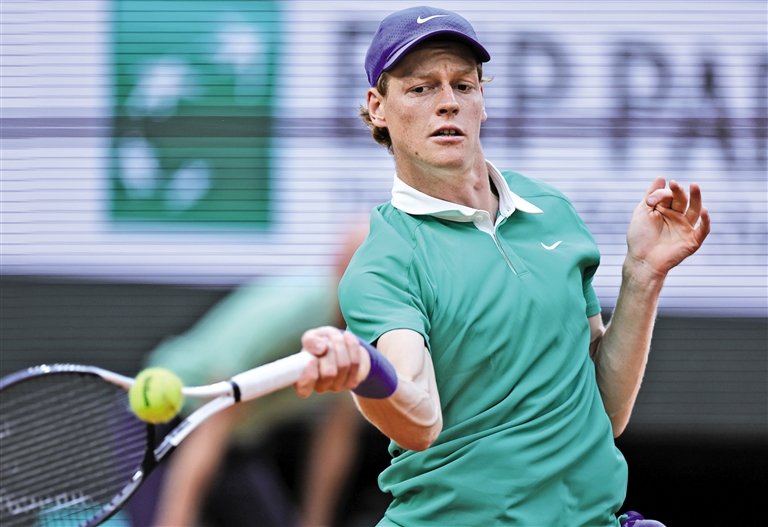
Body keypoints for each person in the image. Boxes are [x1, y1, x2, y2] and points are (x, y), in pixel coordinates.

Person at [292, 6, 709, 527]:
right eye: (421, 88)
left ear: (481, 101)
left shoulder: (550, 209)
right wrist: (367, 374)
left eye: (463, 85)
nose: (448, 102)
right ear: (378, 108)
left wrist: (643, 274)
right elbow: (418, 421)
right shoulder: (384, 261)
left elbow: (604, 408)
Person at [145, 225, 369, 527]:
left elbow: (336, 434)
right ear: (339, 263)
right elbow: (217, 411)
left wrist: (315, 521)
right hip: (166, 421)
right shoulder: (294, 307)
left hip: (237, 440)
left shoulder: (362, 336)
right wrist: (175, 520)